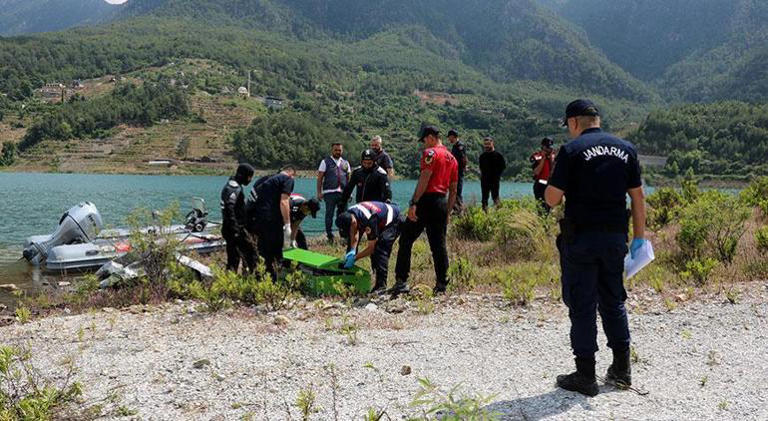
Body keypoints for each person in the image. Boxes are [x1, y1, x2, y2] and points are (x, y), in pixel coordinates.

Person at [545, 99, 646, 397]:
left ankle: (585, 375)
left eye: (569, 126)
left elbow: (552, 199)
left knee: (582, 304)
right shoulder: (626, 149)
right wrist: (639, 238)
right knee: (614, 300)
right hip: (616, 238)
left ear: (574, 122)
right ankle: (621, 369)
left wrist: (549, 183)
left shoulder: (572, 151)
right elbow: (638, 199)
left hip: (582, 240)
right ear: (596, 120)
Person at [390, 125, 458, 296]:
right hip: (441, 202)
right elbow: (454, 189)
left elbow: (424, 178)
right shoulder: (452, 159)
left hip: (427, 200)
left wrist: (414, 202)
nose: (424, 145)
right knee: (439, 245)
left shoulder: (430, 154)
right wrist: (448, 212)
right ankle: (442, 284)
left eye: (424, 140)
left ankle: (401, 281)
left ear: (430, 137)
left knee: (406, 238)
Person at [335, 201, 401, 293]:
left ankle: (381, 285)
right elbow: (353, 233)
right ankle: (373, 274)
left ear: (353, 222)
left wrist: (355, 258)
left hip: (394, 219)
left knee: (380, 249)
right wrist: (352, 250)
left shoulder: (370, 220)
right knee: (369, 248)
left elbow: (371, 248)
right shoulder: (350, 213)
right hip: (379, 216)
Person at [251, 166, 296, 281]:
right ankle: (274, 281)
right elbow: (284, 202)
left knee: (262, 251)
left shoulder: (266, 179)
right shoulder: (288, 179)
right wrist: (287, 225)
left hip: (256, 218)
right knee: (275, 251)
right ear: (291, 174)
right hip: (271, 219)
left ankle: (259, 279)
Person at [220, 163, 256, 273]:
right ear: (244, 175)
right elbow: (229, 209)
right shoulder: (233, 188)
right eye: (250, 177)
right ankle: (250, 282)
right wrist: (236, 230)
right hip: (235, 229)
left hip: (229, 228)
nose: (250, 180)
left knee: (233, 259)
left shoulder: (231, 184)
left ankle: (233, 281)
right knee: (250, 255)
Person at [317, 143, 351, 243]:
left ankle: (344, 235)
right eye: (336, 150)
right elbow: (319, 178)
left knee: (344, 215)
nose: (337, 152)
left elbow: (349, 180)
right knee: (329, 215)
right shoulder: (325, 162)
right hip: (329, 193)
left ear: (342, 151)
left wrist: (350, 193)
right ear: (332, 150)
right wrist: (319, 192)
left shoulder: (346, 163)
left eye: (339, 150)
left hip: (343, 193)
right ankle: (329, 235)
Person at [478, 136, 506, 211]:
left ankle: (499, 215)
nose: (486, 146)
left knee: (496, 198)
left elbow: (503, 167)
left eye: (488, 144)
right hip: (484, 181)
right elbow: (481, 168)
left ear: (492, 143)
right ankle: (485, 216)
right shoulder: (482, 156)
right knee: (484, 199)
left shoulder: (498, 156)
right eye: (485, 144)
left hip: (495, 181)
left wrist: (497, 176)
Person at [530, 137, 556, 214]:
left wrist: (551, 159)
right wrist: (543, 159)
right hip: (540, 185)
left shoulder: (554, 156)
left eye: (550, 147)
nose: (549, 149)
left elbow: (554, 170)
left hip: (551, 185)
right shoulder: (537, 156)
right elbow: (536, 172)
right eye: (547, 147)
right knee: (541, 208)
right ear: (543, 146)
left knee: (550, 208)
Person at [448, 129, 468, 213]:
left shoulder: (460, 146)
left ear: (453, 136)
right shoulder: (455, 146)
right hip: (454, 172)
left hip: (458, 172)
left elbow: (463, 158)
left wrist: (464, 167)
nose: (449, 139)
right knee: (453, 191)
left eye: (449, 137)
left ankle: (460, 210)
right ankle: (456, 209)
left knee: (458, 191)